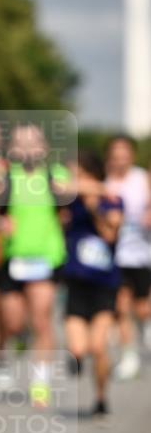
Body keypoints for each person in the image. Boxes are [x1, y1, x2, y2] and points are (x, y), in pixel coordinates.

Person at [0, 123, 70, 404]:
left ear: (45, 148)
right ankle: (19, 337)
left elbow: (72, 196)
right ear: (12, 149)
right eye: (21, 143)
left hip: (46, 258)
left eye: (33, 142)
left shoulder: (55, 175)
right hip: (13, 258)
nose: (28, 149)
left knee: (41, 320)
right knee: (12, 322)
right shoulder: (5, 178)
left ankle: (41, 381)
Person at [62, 151, 123, 418]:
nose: (73, 178)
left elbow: (111, 233)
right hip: (76, 283)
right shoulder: (70, 202)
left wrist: (94, 207)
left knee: (98, 347)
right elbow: (58, 186)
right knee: (78, 349)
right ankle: (76, 360)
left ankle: (100, 398)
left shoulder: (111, 201)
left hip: (104, 285)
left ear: (91, 173)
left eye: (78, 173)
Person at [105, 135, 151, 380]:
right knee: (121, 307)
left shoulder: (141, 178)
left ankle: (146, 327)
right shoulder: (105, 182)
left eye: (125, 154)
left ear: (131, 155)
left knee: (142, 308)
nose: (120, 159)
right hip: (115, 254)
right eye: (116, 154)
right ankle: (129, 356)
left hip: (142, 253)